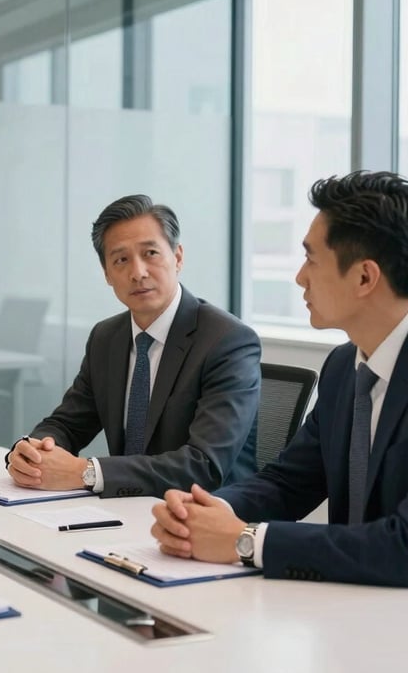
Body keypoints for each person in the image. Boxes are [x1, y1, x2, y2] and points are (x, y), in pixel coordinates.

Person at [152, 170, 408, 587]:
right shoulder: (345, 368)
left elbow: (402, 547)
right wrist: (202, 512)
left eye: (311, 258)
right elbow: (289, 483)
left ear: (364, 277)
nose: (299, 277)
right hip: (350, 610)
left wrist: (245, 541)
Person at [7, 194, 261, 498]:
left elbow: (203, 465)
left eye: (150, 253)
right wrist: (33, 453)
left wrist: (86, 472)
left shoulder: (226, 340)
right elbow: (67, 424)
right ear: (107, 274)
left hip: (200, 516)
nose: (138, 272)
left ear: (178, 257)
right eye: (121, 260)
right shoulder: (106, 337)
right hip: (125, 510)